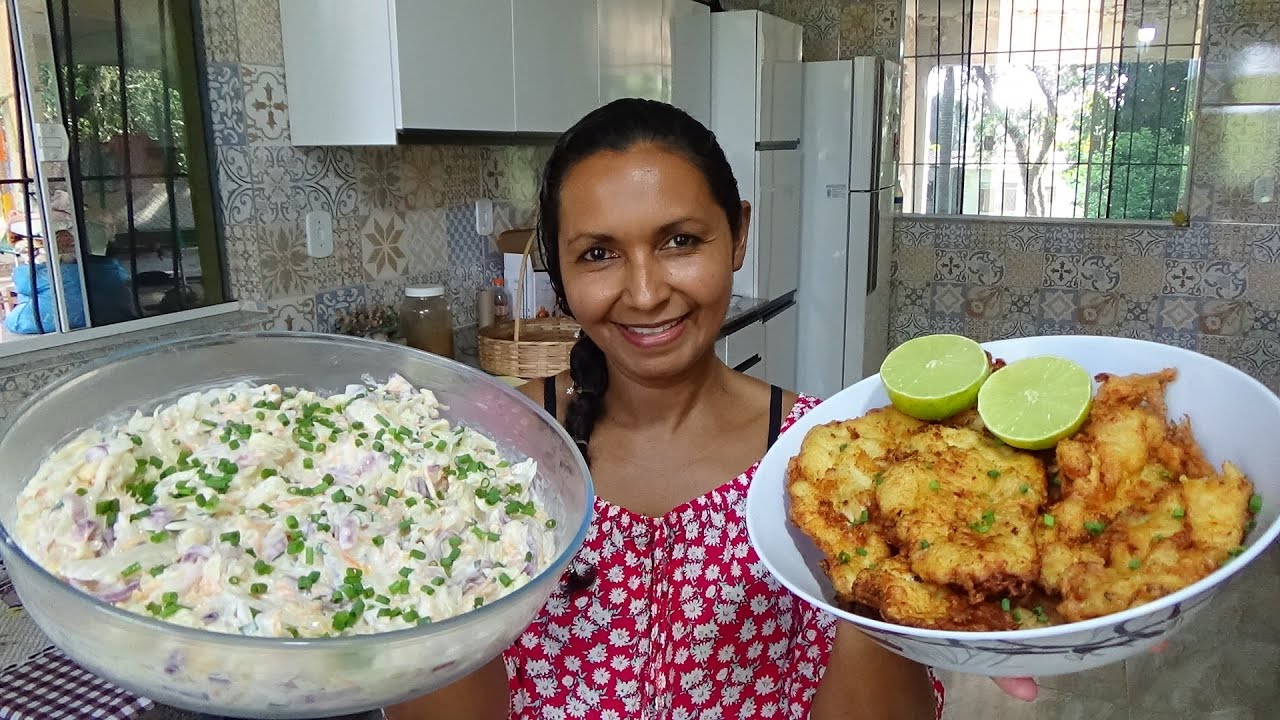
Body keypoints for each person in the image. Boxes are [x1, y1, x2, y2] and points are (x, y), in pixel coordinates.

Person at [388, 98, 1035, 719]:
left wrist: (878, 570)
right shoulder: (488, 454)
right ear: (556, 269)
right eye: (599, 254)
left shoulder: (818, 461)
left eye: (679, 241)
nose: (644, 293)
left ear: (738, 236)